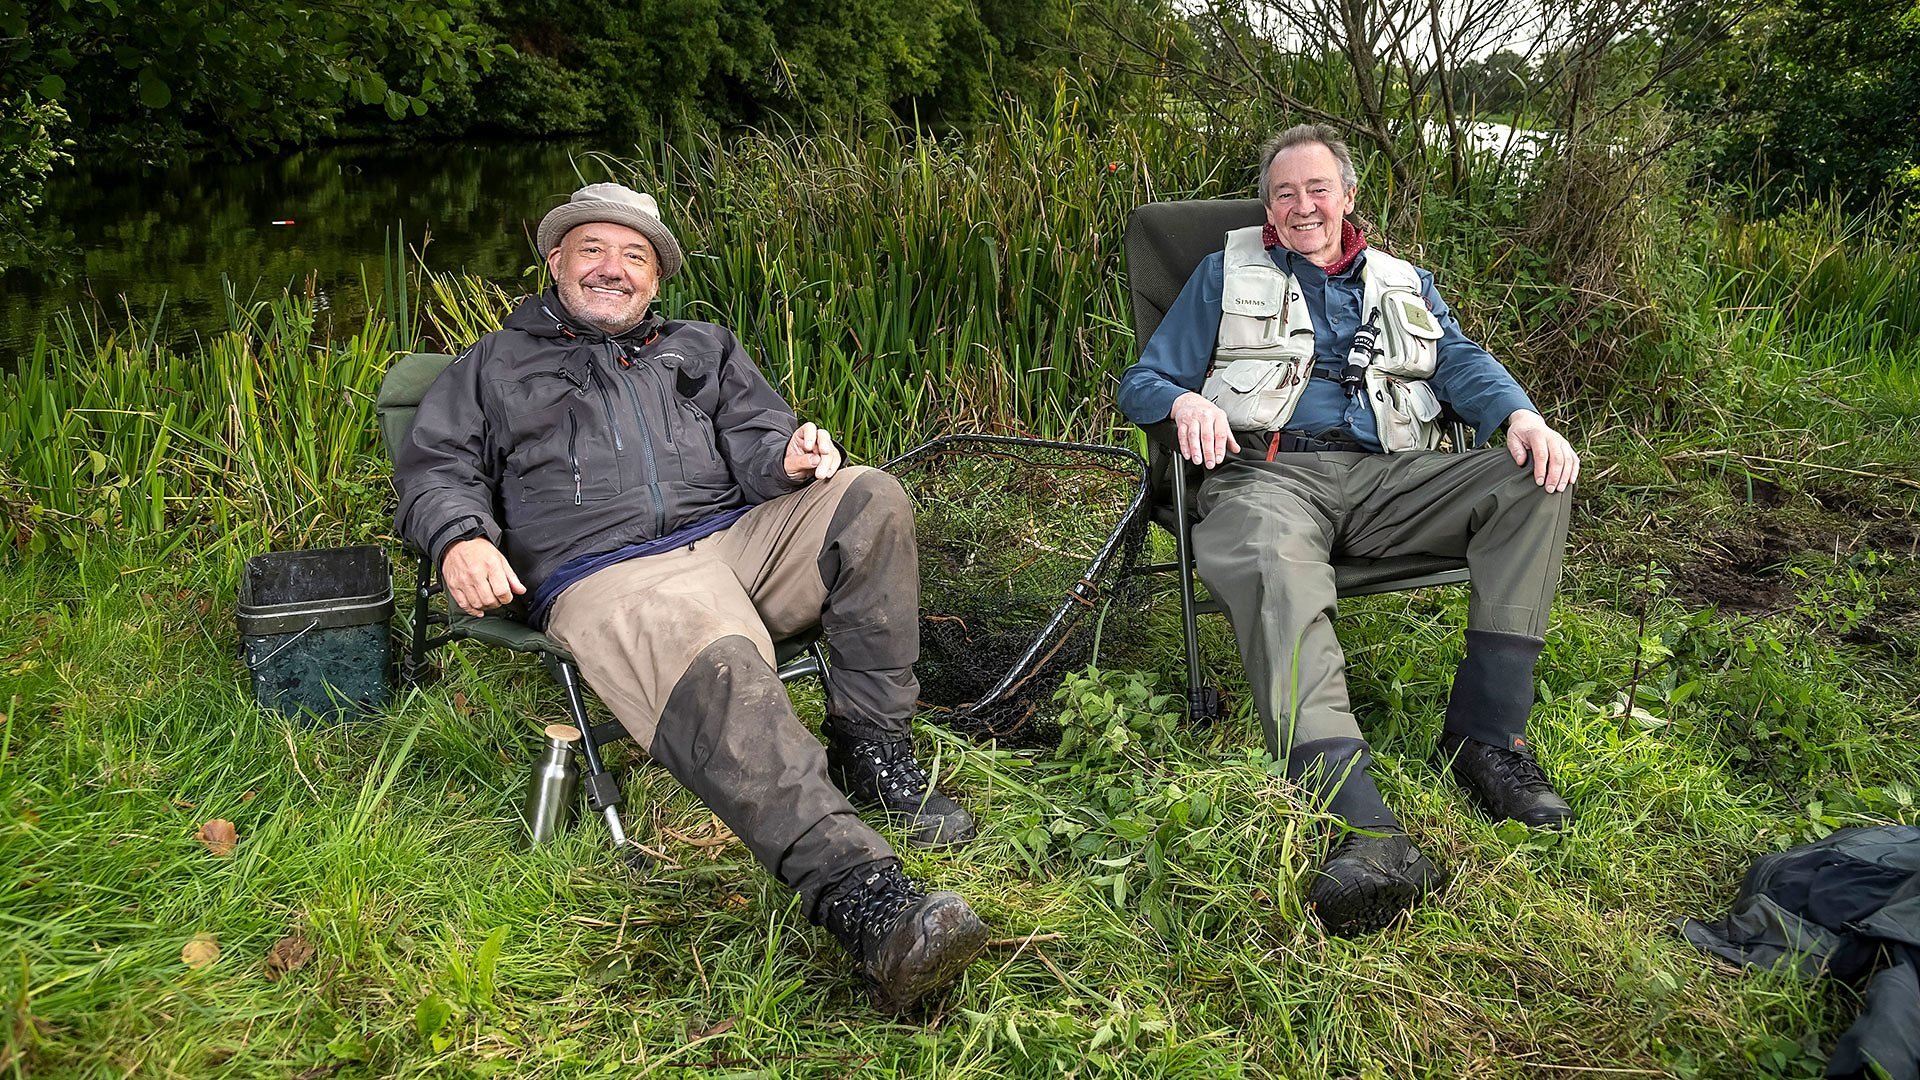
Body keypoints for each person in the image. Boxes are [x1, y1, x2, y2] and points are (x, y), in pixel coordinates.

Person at [393, 182, 989, 1009]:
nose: (612, 268)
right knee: (716, 653)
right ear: (556, 260)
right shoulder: (491, 366)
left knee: (870, 497)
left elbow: (757, 437)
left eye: (634, 256)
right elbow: (436, 470)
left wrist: (787, 456)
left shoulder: (699, 347)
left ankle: (871, 748)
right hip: (606, 570)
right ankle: (866, 901)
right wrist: (460, 536)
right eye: (593, 249)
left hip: (735, 538)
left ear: (656, 279)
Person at [1117, 125, 1580, 936]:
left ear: (1348, 197)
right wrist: (1183, 401)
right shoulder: (1223, 272)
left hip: (1390, 479)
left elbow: (1460, 362)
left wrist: (1521, 416)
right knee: (1267, 553)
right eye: (1285, 193)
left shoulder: (1406, 281)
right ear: (1268, 207)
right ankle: (1357, 819)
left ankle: (1485, 739)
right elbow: (1144, 380)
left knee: (1532, 479)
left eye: (1318, 189)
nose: (1303, 206)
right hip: (1267, 476)